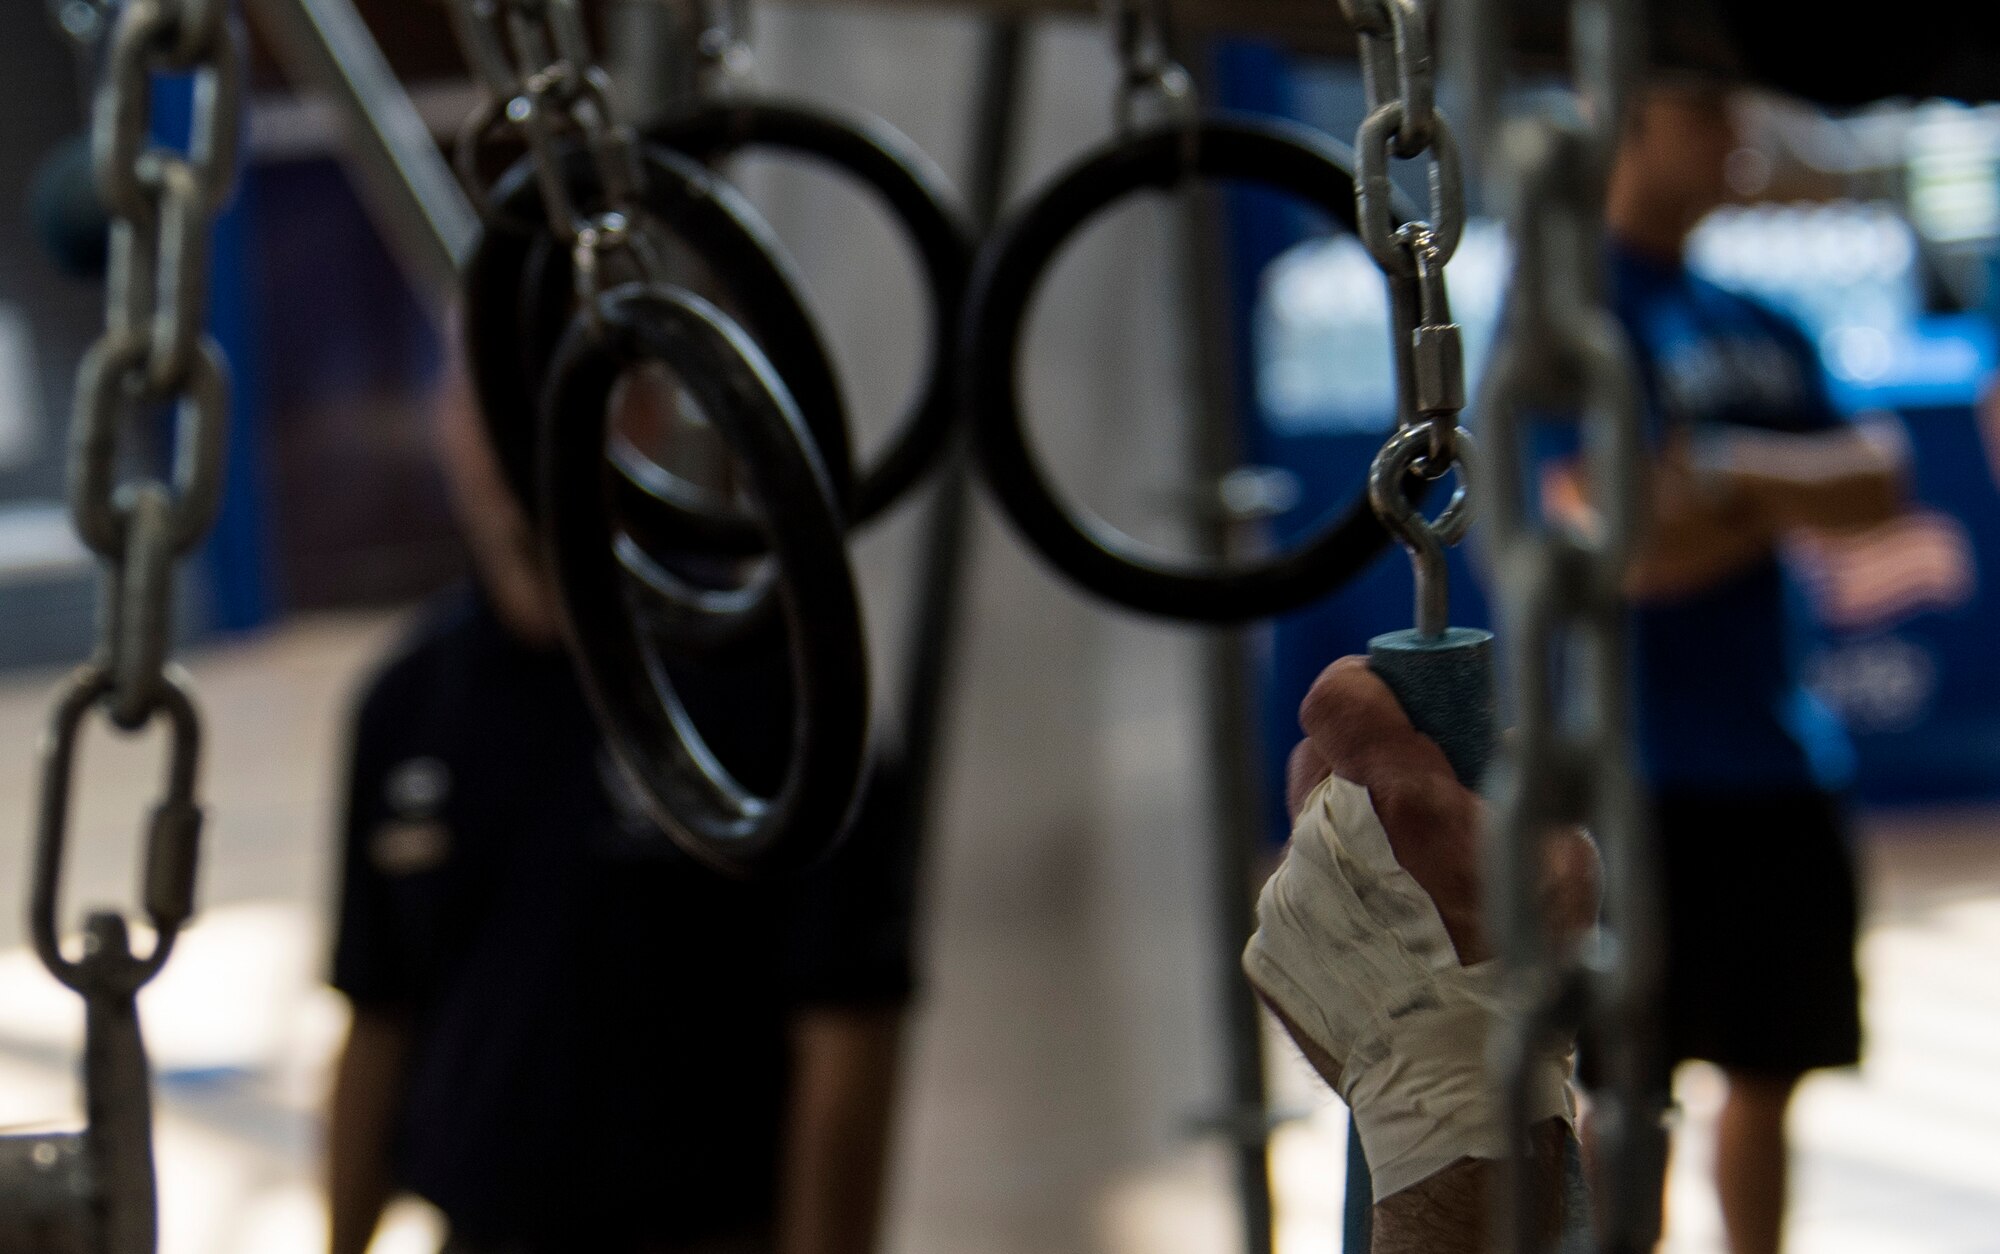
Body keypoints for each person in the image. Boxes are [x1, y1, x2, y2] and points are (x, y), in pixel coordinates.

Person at [323, 341, 919, 1254]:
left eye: (550, 389)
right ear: (445, 425)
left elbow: (848, 1033)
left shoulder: (772, 685)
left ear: (638, 418)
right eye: (479, 397)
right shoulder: (406, 705)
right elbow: (376, 1015)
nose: (509, 434)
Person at [1542, 78, 1907, 1254]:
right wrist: (1784, 496)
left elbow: (1881, 481)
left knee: (1768, 1069)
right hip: (1634, 773)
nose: (1735, 133)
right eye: (1703, 108)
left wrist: (1726, 479)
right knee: (1626, 1086)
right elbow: (1632, 550)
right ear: (1627, 125)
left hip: (1773, 758)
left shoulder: (1755, 316)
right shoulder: (1570, 315)